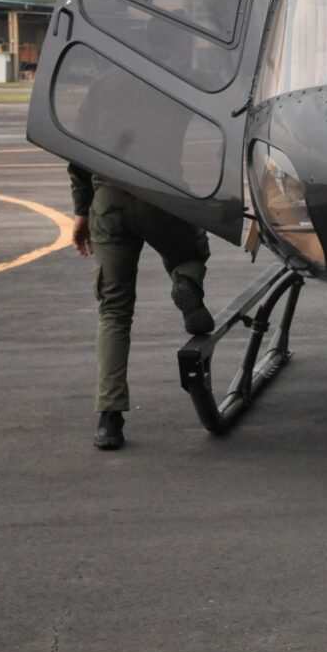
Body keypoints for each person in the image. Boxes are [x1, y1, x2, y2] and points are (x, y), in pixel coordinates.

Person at [67, 164, 214, 450]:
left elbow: (77, 159)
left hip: (109, 202)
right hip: (159, 193)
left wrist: (82, 210)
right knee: (194, 253)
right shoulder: (170, 115)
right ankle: (186, 278)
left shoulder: (93, 114)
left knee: (114, 312)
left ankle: (110, 418)